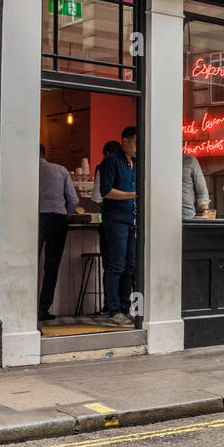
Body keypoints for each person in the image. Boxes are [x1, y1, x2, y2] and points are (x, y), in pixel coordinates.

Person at [96, 126, 138, 327]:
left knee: (130, 267)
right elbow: (106, 191)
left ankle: (124, 307)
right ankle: (113, 310)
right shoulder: (111, 162)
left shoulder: (136, 164)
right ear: (125, 141)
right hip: (115, 220)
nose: (139, 148)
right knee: (116, 266)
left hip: (132, 220)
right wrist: (134, 195)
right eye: (137, 143)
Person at [37, 144, 79, 322]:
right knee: (51, 267)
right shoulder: (60, 170)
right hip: (58, 219)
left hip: (35, 219)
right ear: (45, 154)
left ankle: (23, 307)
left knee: (30, 265)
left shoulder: (26, 171)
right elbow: (74, 199)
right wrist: (66, 215)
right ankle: (43, 309)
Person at [182, 152, 210, 219]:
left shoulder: (190, 160)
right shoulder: (160, 160)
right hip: (163, 211)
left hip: (186, 213)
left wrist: (205, 211)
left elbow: (201, 187)